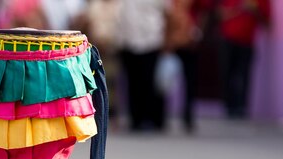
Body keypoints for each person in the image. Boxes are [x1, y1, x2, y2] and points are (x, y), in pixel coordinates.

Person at [116, 0, 168, 132]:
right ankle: (135, 119)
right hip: (127, 40)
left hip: (150, 40)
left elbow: (167, 12)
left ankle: (149, 118)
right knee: (133, 82)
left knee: (148, 81)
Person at [217, 0, 271, 119]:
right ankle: (229, 107)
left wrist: (254, 10)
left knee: (244, 75)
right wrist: (238, 9)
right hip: (228, 40)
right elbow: (220, 14)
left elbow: (267, 22)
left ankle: (242, 108)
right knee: (227, 73)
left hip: (247, 42)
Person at [164, 0, 211, 132]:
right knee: (165, 78)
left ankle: (188, 115)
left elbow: (204, 11)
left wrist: (199, 32)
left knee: (190, 80)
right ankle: (161, 116)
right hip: (173, 40)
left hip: (190, 40)